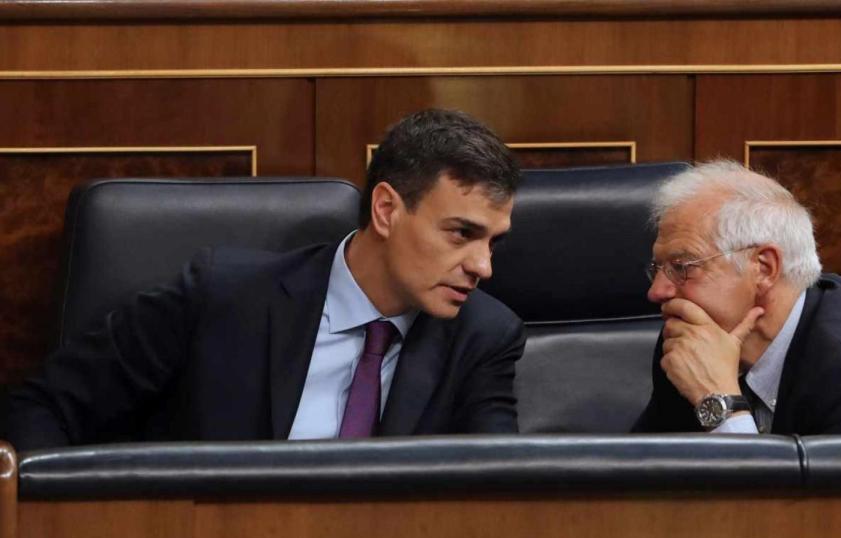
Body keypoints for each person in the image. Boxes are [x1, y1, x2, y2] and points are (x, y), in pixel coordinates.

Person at [6, 109, 524, 450]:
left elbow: (498, 495)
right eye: (462, 234)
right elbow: (46, 407)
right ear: (387, 210)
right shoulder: (224, 297)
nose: (483, 267)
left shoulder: (483, 336)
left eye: (493, 242)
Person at [635, 160, 841, 434]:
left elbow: (800, 519)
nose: (657, 291)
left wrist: (719, 404)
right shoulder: (694, 341)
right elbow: (638, 484)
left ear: (764, 268)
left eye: (681, 267)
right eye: (659, 267)